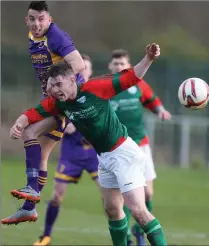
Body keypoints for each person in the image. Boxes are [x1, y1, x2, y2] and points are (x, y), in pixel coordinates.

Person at [7, 43, 167, 246]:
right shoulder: (60, 101)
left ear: (73, 79)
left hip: (123, 152)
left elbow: (131, 77)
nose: (55, 90)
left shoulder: (96, 87)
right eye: (52, 85)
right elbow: (33, 113)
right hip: (105, 157)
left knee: (137, 210)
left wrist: (149, 58)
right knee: (112, 210)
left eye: (59, 84)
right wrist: (18, 125)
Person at [0, 1, 85, 225]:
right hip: (55, 98)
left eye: (41, 19)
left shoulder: (56, 37)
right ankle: (29, 208)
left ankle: (31, 191)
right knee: (43, 154)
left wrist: (56, 86)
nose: (37, 24)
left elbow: (78, 65)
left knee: (29, 132)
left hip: (64, 99)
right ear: (26, 20)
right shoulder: (32, 37)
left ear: (49, 19)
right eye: (32, 19)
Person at [32, 55, 101, 246]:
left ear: (91, 71)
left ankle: (125, 238)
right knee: (56, 196)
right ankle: (46, 236)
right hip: (71, 152)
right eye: (81, 68)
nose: (83, 71)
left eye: (86, 68)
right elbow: (53, 115)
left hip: (94, 153)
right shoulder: (62, 94)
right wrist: (63, 125)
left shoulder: (94, 92)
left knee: (111, 197)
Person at [108, 49, 171, 246]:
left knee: (148, 193)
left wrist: (161, 111)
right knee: (125, 194)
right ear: (110, 66)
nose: (119, 67)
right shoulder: (107, 88)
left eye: (122, 64)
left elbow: (153, 102)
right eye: (116, 64)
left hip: (141, 145)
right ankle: (126, 235)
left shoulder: (138, 84)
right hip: (119, 148)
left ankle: (139, 227)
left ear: (129, 66)